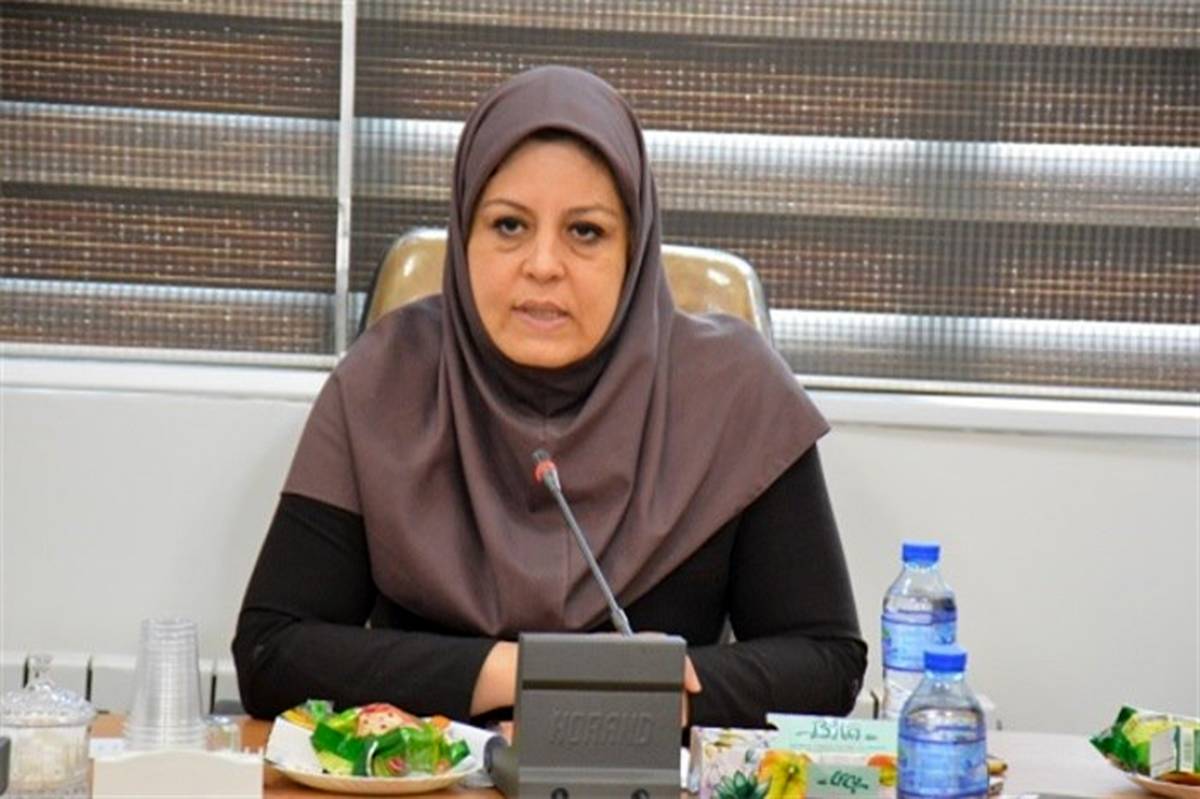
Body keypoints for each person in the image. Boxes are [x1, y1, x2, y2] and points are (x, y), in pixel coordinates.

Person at [233, 65, 865, 729]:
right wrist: (528, 672)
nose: (542, 265)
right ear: (465, 234)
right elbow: (273, 652)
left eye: (585, 231)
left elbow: (826, 663)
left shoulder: (733, 391)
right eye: (509, 225)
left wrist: (664, 690)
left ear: (635, 248)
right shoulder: (385, 381)